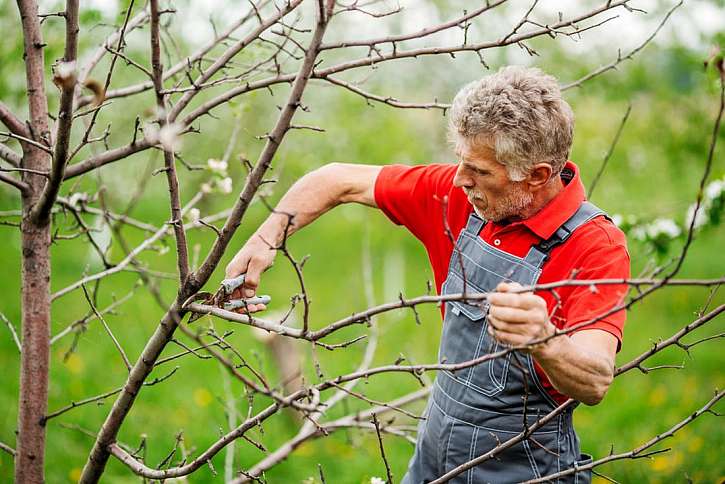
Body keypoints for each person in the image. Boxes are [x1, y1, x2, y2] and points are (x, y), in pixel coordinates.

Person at [225, 66, 630, 483]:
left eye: (480, 171)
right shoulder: (457, 200)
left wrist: (545, 340)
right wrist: (265, 238)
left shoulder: (595, 246)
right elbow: (337, 180)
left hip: (526, 471)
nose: (460, 179)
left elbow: (596, 378)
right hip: (434, 465)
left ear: (538, 175)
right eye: (461, 162)